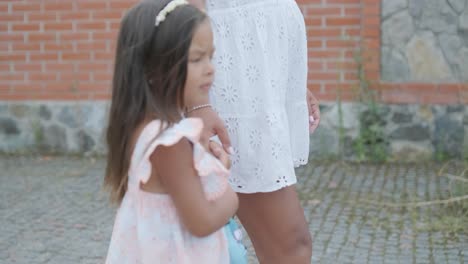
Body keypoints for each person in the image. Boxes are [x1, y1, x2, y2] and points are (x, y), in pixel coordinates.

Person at [103, 1, 244, 263]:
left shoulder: (143, 126)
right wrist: (230, 193)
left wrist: (201, 157)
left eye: (211, 56)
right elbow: (202, 221)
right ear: (155, 65)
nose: (210, 68)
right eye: (197, 59)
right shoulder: (168, 141)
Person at [186, 0, 321, 263]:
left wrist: (283, 87)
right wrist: (197, 101)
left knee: (287, 244)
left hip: (259, 76)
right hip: (229, 76)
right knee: (290, 244)